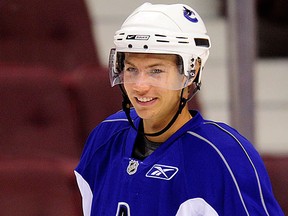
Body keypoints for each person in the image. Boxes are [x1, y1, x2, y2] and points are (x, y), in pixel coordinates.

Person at [75, 3, 284, 215]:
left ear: (192, 71)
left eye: (156, 71)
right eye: (131, 69)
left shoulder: (224, 154)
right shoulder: (105, 137)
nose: (140, 85)